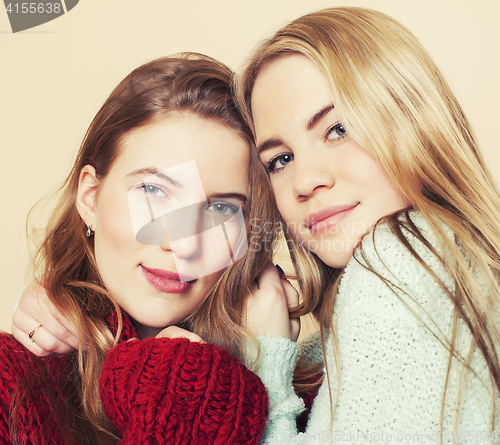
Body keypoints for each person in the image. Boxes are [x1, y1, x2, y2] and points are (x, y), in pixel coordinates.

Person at [235, 6, 500, 443]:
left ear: (412, 118)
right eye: (280, 159)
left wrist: (268, 360)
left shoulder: (396, 256)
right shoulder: (452, 259)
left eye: (338, 129)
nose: (305, 180)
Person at [0, 53, 281, 444]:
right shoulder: (11, 382)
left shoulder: (297, 392)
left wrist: (270, 360)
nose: (182, 244)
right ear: (90, 197)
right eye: (153, 191)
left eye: (220, 209)